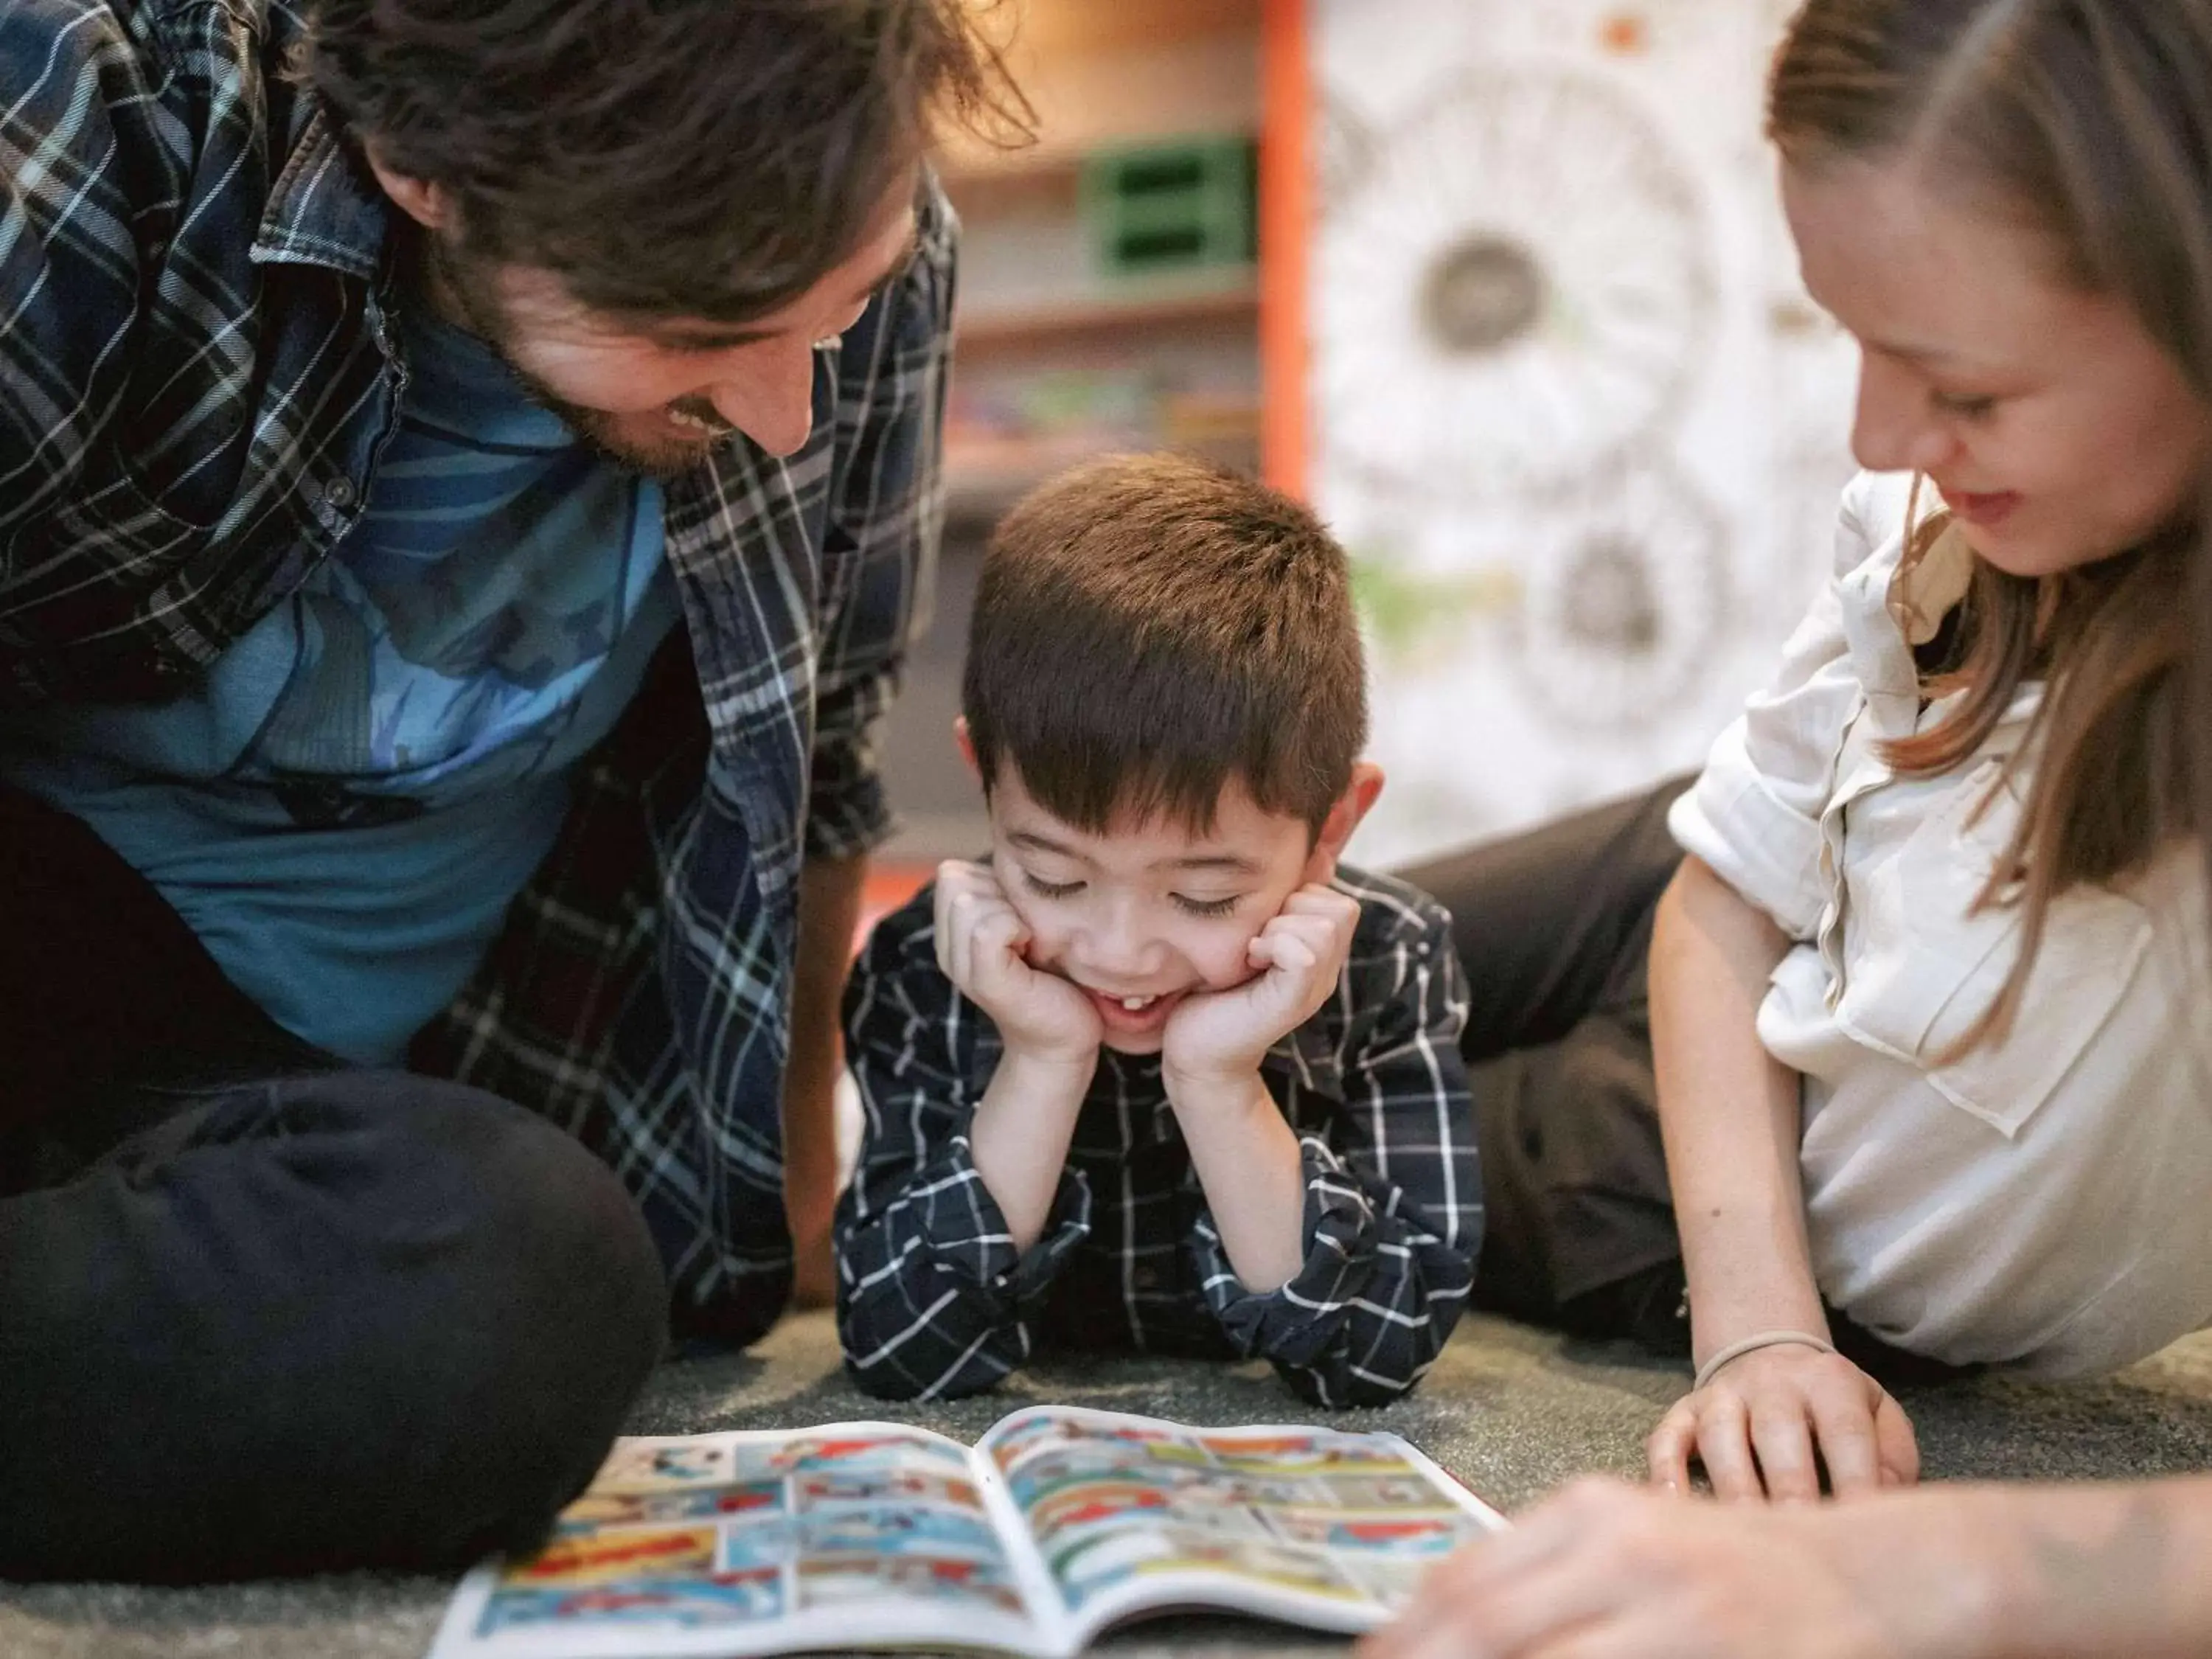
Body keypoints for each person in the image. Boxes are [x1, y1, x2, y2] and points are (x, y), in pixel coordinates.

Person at [0, 0, 1020, 1582]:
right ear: (422, 168)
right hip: (48, 916)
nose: (783, 413)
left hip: (285, 1093)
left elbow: (827, 748)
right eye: (697, 326)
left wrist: (808, 1198)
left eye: (834, 311)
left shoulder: (862, 223)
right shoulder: (99, 103)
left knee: (529, 1287)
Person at [1362, 0, 2212, 1651]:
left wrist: (1896, 1548)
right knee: (1246, 933)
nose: (1882, 440)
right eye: (1854, 342)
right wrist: (1759, 1329)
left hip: (1673, 1172)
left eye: (1962, 382)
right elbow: (1716, 895)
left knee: (1262, 1152)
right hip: (1690, 910)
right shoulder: (1928, 533)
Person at [833, 453, 1482, 1406]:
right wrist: (1043, 1061)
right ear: (984, 775)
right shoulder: (933, 961)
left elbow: (1375, 1356)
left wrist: (1219, 1081)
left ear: (1333, 826)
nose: (1121, 951)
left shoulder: (1393, 958)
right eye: (1054, 875)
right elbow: (899, 1350)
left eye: (1205, 896)